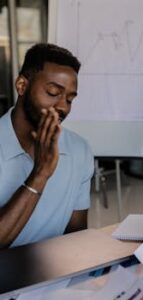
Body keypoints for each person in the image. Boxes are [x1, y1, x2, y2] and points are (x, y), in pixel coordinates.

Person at [0, 43, 94, 248]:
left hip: (56, 276)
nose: (63, 107)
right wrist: (40, 174)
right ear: (22, 86)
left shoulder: (80, 150)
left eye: (70, 99)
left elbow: (76, 236)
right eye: (53, 92)